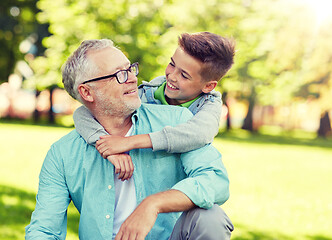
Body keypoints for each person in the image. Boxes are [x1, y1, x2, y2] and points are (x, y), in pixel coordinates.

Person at [25, 39, 233, 239]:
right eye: (119, 75)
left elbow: (216, 181)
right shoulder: (63, 153)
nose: (133, 78)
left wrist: (153, 204)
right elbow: (44, 230)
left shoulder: (179, 120)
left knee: (210, 217)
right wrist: (103, 143)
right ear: (87, 92)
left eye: (130, 69)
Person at [74, 32, 235, 180]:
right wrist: (106, 146)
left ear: (208, 86)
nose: (171, 76)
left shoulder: (209, 104)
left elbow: (199, 133)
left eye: (184, 75)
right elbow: (83, 113)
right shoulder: (147, 93)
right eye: (172, 64)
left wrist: (130, 142)